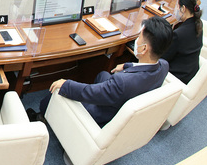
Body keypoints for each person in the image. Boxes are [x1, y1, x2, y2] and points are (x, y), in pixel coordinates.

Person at [37, 16, 172, 126]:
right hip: (124, 97)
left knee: (55, 94)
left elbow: (90, 92)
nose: (137, 40)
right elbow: (140, 71)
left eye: (140, 37)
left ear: (143, 49)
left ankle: (42, 115)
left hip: (103, 113)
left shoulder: (122, 82)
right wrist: (126, 66)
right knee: (103, 75)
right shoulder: (164, 65)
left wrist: (66, 84)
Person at [162, 0, 203, 84]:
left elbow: (163, 58)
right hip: (190, 72)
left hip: (177, 77)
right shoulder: (198, 23)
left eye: (177, 6)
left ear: (183, 8)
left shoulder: (179, 34)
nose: (176, 9)